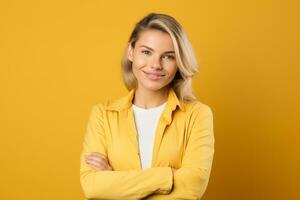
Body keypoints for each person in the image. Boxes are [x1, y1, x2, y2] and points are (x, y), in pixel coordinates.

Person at [79, 12, 215, 200]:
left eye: (168, 56)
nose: (155, 65)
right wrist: (169, 176)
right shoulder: (103, 115)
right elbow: (92, 187)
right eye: (146, 52)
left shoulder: (197, 115)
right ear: (131, 52)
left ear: (179, 62)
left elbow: (192, 188)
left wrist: (114, 182)